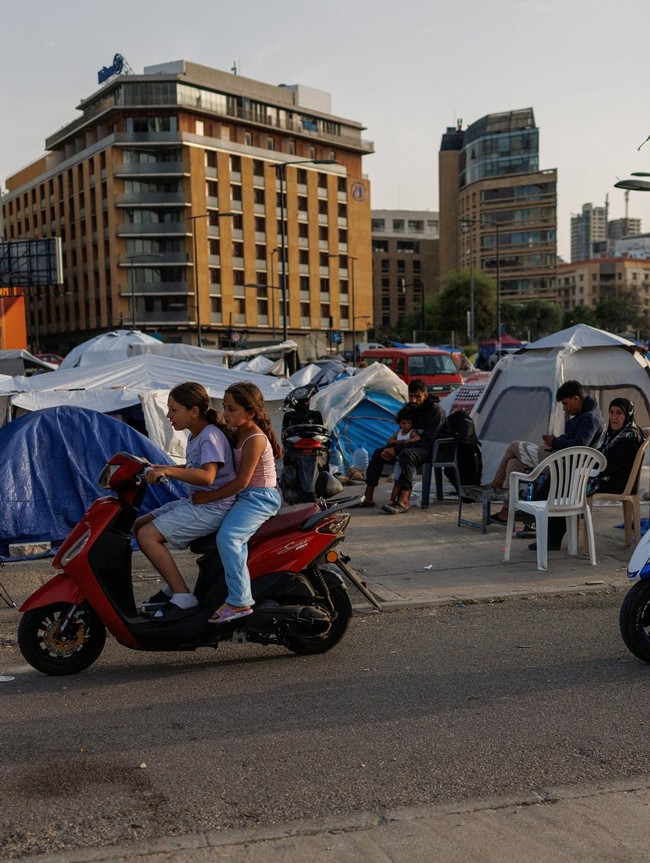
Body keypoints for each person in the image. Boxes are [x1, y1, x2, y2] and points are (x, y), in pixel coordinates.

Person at [135, 382, 236, 622]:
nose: (168, 415)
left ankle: (182, 596)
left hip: (213, 508)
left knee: (147, 536)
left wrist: (168, 473)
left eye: (173, 409)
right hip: (196, 502)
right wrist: (160, 467)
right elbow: (194, 467)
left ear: (194, 411)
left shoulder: (210, 436)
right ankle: (172, 585)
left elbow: (207, 475)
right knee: (139, 524)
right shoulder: (197, 434)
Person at [191, 381, 283, 624]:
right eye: (225, 408)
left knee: (229, 537)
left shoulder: (254, 438)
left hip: (259, 498)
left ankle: (240, 601)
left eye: (232, 409)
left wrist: (208, 496)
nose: (226, 414)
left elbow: (242, 482)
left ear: (250, 412)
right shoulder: (235, 432)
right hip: (242, 496)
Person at [530, 397, 645, 551]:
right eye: (611, 412)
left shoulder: (628, 436)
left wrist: (585, 466)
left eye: (619, 413)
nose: (614, 417)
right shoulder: (618, 433)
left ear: (627, 415)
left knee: (565, 482)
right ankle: (551, 533)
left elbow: (608, 465)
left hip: (616, 482)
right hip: (608, 477)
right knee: (565, 477)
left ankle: (543, 521)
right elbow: (604, 457)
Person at [489, 380, 605, 523]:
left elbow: (580, 445)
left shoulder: (589, 418)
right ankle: (506, 511)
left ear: (576, 398)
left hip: (564, 464)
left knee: (514, 446)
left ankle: (496, 483)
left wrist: (554, 442)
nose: (564, 408)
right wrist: (555, 441)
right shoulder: (586, 414)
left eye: (565, 403)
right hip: (560, 458)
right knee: (513, 465)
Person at [361, 378, 449, 515]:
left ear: (425, 395)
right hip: (410, 446)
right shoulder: (411, 408)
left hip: (431, 448)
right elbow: (403, 432)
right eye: (411, 396)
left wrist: (395, 450)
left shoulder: (435, 411)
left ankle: (404, 500)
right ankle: (368, 497)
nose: (413, 400)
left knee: (406, 455)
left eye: (417, 396)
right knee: (379, 453)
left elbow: (427, 440)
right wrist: (389, 448)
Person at [386, 406, 420, 505]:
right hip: (398, 462)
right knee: (397, 482)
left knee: (407, 482)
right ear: (399, 423)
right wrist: (397, 441)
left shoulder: (411, 432)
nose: (406, 425)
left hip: (408, 462)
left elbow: (417, 438)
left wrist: (407, 441)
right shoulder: (398, 432)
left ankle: (404, 500)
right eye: (403, 423)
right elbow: (389, 440)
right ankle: (392, 501)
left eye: (408, 423)